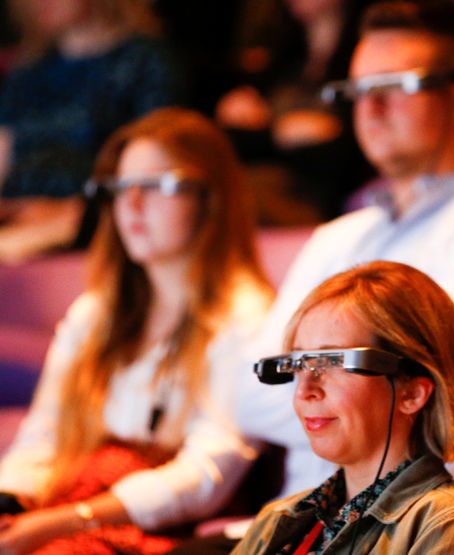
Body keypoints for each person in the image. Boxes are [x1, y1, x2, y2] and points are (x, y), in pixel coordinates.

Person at [238, 0, 454, 484]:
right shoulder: (337, 235)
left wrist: (322, 389)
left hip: (433, 518)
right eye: (359, 89)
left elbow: (392, 378)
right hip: (307, 520)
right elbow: (250, 394)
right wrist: (348, 388)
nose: (371, 108)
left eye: (395, 86)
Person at [0, 108, 275, 554]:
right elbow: (43, 436)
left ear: (212, 198)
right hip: (65, 504)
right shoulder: (96, 311)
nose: (132, 205)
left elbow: (207, 475)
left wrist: (67, 521)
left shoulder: (246, 316)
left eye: (155, 185)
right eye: (122, 187)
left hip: (153, 527)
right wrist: (11, 499)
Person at [233, 260, 454, 554]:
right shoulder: (277, 519)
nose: (304, 390)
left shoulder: (448, 524)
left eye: (333, 362)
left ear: (411, 392)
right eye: (300, 364)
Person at [0, 0, 184, 263]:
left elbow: (155, 167)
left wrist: (72, 212)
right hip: (18, 230)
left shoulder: (144, 62)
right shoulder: (28, 72)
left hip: (101, 231)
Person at [216, 0, 376, 222]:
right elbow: (236, 138)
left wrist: (268, 131)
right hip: (270, 186)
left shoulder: (367, 53)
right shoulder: (280, 56)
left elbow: (344, 152)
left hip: (328, 200)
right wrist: (280, 133)